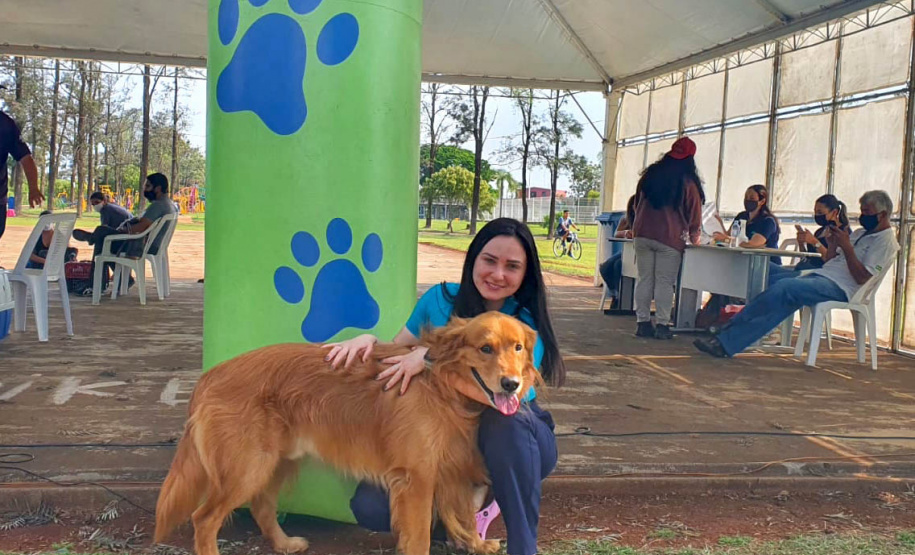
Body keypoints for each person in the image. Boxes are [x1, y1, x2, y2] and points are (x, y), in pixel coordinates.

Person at [324, 217, 564, 555]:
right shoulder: (439, 298)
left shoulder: (523, 321)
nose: (498, 274)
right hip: (447, 437)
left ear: (525, 274)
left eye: (512, 266)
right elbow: (399, 350)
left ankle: (521, 543)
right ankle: (459, 521)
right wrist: (370, 342)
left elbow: (510, 395)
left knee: (505, 424)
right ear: (473, 259)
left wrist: (430, 361)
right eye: (490, 260)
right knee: (371, 507)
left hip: (516, 440)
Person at [694, 190, 899, 359]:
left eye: (868, 211)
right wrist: (837, 243)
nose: (863, 216)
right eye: (862, 210)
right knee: (767, 277)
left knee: (785, 289)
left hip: (842, 287)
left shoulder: (886, 242)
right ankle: (731, 332)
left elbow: (863, 278)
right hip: (823, 274)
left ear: (882, 214)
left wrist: (847, 247)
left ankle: (727, 340)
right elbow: (829, 261)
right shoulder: (859, 233)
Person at [631, 136, 704, 340]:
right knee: (664, 282)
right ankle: (662, 325)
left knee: (644, 279)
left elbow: (636, 204)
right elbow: (694, 214)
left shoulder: (649, 176)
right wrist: (694, 236)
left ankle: (643, 322)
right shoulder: (687, 182)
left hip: (643, 233)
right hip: (670, 238)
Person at [72, 173, 176, 290]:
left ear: (158, 188)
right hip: (152, 244)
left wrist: (123, 231)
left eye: (147, 187)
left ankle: (95, 284)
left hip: (139, 246)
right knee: (103, 241)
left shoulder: (158, 206)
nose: (144, 190)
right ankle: (98, 284)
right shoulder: (170, 205)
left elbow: (140, 227)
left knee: (102, 233)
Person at [768, 194, 851, 285]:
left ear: (834, 212)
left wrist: (814, 242)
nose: (816, 215)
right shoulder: (820, 231)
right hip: (803, 267)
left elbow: (832, 261)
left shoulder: (842, 233)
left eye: (820, 212)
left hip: (816, 272)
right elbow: (807, 257)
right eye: (815, 212)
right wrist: (801, 242)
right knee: (765, 269)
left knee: (771, 280)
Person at [1, 109, 44, 242]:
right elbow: (26, 158)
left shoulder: (4, 124)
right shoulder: (5, 122)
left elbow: (26, 158)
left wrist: (33, 188)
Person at [713, 184, 781, 263]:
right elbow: (729, 235)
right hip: (744, 261)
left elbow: (752, 244)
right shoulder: (741, 216)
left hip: (766, 264)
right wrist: (719, 223)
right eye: (746, 198)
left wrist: (727, 239)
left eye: (751, 198)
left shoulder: (768, 221)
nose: (747, 200)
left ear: (762, 201)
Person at [599, 195, 636, 308]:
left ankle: (620, 298)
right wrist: (626, 233)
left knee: (618, 265)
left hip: (640, 253)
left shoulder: (649, 220)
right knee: (605, 266)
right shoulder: (625, 219)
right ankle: (616, 293)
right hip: (627, 252)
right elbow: (616, 233)